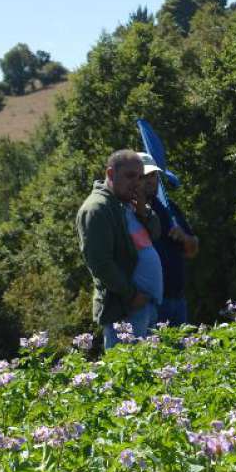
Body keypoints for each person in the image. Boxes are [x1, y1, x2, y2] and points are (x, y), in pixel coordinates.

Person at [75, 150, 164, 350]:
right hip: (125, 310)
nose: (137, 183)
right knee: (127, 375)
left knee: (151, 376)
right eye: (130, 176)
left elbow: (156, 232)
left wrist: (143, 213)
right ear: (110, 174)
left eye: (140, 177)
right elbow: (100, 264)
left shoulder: (128, 203)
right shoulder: (97, 209)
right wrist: (132, 295)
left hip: (145, 306)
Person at [137, 151, 199, 326]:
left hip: (177, 300)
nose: (150, 180)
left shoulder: (169, 208)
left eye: (153, 175)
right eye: (144, 176)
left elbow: (192, 250)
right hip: (149, 302)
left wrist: (185, 238)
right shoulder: (128, 212)